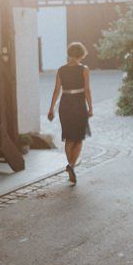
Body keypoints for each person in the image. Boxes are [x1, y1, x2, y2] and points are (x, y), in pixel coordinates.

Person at [47, 42, 93, 185]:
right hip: (79, 105)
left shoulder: (61, 70)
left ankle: (70, 164)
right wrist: (90, 107)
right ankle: (71, 166)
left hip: (65, 104)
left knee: (68, 138)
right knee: (79, 137)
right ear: (81, 54)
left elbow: (56, 90)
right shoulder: (84, 69)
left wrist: (51, 109)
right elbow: (87, 90)